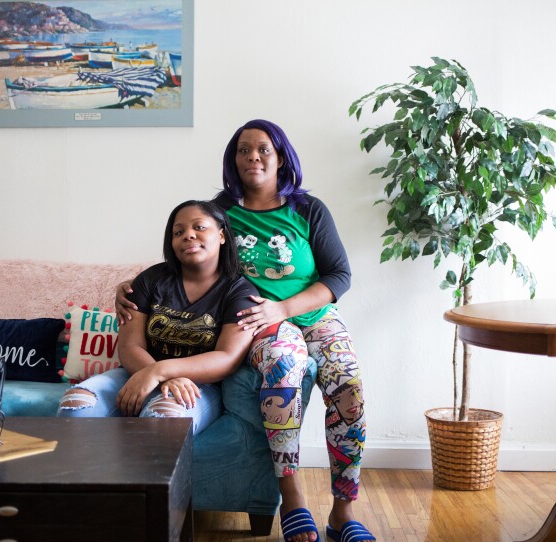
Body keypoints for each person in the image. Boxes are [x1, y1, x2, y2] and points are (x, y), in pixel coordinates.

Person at [116, 120, 372, 542]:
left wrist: (284, 307)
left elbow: (340, 276)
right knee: (285, 372)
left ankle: (343, 513)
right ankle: (291, 498)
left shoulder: (308, 209)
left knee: (348, 386)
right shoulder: (221, 211)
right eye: (243, 150)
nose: (252, 157)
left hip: (313, 316)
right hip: (256, 324)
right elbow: (187, 255)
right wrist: (121, 288)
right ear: (232, 161)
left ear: (281, 158)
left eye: (263, 149)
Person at [57, 200, 258, 437]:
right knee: (76, 404)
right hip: (136, 372)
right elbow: (130, 345)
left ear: (222, 235)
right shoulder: (150, 280)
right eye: (178, 232)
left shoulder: (241, 292)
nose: (189, 235)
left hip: (196, 386)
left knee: (164, 419)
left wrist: (160, 372)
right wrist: (156, 375)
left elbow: (227, 358)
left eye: (199, 227)